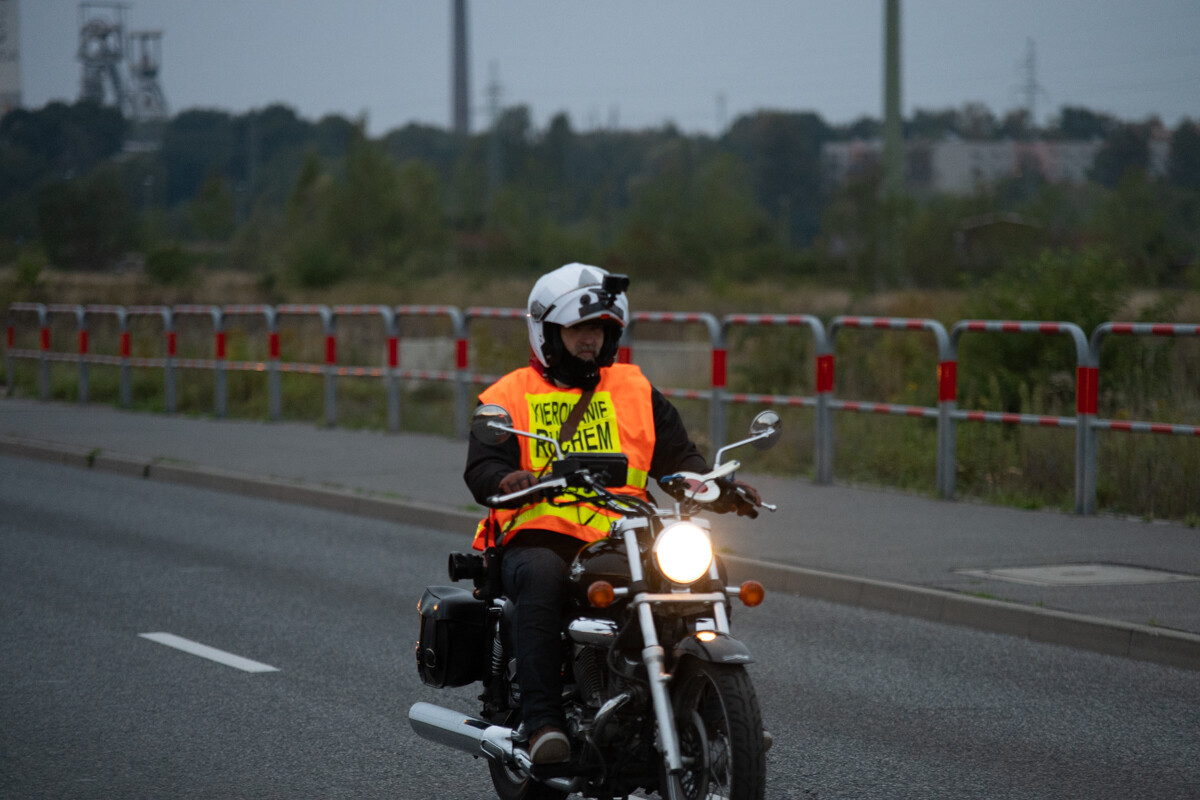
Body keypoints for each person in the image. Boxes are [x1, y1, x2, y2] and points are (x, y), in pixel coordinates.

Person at [463, 263, 759, 765]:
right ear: (548, 332)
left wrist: (712, 484)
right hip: (539, 532)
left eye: (600, 329)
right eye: (580, 328)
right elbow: (484, 466)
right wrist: (506, 479)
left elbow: (678, 457)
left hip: (626, 532)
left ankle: (715, 710)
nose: (591, 340)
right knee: (540, 577)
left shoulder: (634, 388)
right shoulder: (508, 395)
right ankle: (542, 723)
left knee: (706, 569)